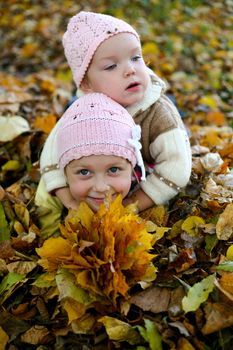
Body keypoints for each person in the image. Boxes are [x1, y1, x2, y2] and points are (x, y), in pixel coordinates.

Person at [38, 11, 192, 213]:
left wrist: (134, 204)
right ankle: (48, 232)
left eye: (136, 58)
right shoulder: (84, 109)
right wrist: (70, 201)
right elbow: (52, 153)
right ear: (86, 83)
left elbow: (177, 167)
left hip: (146, 185)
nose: (130, 70)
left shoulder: (158, 113)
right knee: (45, 191)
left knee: (165, 207)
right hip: (94, 184)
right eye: (111, 66)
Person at [35, 93, 145, 233]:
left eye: (113, 170)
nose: (100, 187)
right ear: (65, 173)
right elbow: (47, 241)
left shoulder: (140, 192)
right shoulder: (50, 198)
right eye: (84, 172)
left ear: (131, 169)